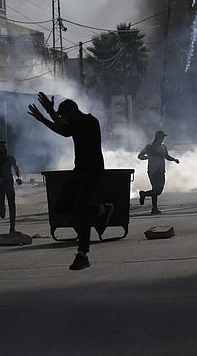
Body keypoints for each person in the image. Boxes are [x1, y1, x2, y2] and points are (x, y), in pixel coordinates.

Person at [28, 93, 114, 270]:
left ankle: (82, 254)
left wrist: (49, 112)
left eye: (65, 116)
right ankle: (101, 209)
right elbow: (64, 130)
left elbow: (65, 130)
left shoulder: (89, 122)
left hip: (92, 171)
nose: (64, 120)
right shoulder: (76, 123)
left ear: (73, 113)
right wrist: (45, 117)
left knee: (81, 207)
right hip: (79, 171)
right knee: (61, 206)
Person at [137, 130, 179, 215]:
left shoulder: (163, 146)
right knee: (156, 189)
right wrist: (148, 158)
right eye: (162, 137)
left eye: (163, 137)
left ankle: (144, 195)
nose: (163, 139)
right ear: (158, 137)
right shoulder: (149, 146)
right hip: (152, 171)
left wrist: (174, 159)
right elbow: (140, 156)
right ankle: (154, 208)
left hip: (161, 171)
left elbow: (166, 156)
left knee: (158, 190)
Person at [0, 140, 22, 234]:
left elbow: (17, 169)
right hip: (0, 185)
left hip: (9, 184)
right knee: (0, 204)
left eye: (5, 146)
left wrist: (18, 177)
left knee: (12, 206)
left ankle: (12, 227)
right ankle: (2, 209)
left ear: (7, 147)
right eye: (2, 147)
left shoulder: (11, 158)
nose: (4, 148)